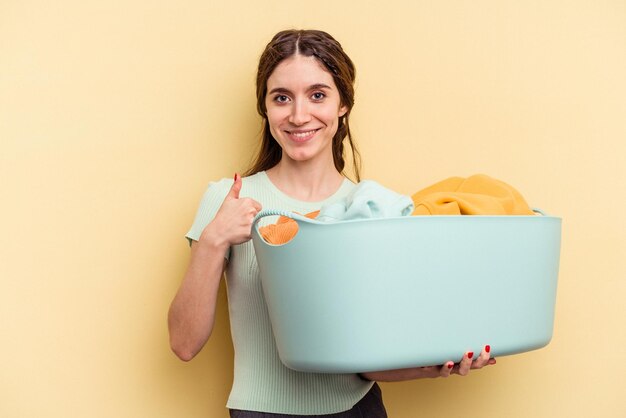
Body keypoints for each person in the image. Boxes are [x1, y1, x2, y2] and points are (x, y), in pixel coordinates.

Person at [167, 29, 496, 418]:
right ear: (265, 107)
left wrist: (434, 365)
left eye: (318, 95)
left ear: (343, 104)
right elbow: (184, 344)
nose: (298, 115)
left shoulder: (371, 208)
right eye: (282, 98)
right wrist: (214, 239)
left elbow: (365, 362)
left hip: (358, 410)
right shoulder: (229, 200)